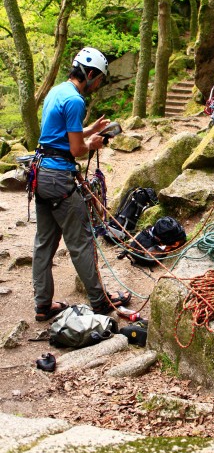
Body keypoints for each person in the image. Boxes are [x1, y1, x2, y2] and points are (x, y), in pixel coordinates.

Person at [32, 47, 131, 321]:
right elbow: (76, 149)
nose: (98, 86)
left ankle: (42, 304)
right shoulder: (75, 101)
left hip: (40, 174)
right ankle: (100, 302)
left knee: (44, 243)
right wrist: (93, 143)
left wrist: (91, 129)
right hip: (59, 179)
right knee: (82, 241)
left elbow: (60, 134)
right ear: (89, 74)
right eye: (98, 79)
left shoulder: (57, 91)